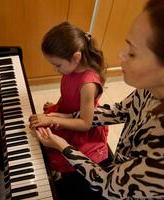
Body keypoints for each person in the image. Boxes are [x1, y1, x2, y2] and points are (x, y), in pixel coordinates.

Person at [33, 0, 164, 199]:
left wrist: (61, 145)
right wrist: (64, 116)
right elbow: (120, 111)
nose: (120, 55)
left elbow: (110, 186)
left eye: (132, 52)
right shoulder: (155, 88)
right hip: (123, 167)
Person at [29, 21, 108, 199]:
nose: (55, 69)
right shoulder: (70, 70)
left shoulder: (88, 84)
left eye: (57, 65)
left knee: (48, 143)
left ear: (76, 57)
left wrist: (52, 119)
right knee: (37, 129)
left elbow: (86, 123)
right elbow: (69, 95)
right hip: (68, 113)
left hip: (81, 126)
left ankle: (58, 173)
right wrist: (57, 107)